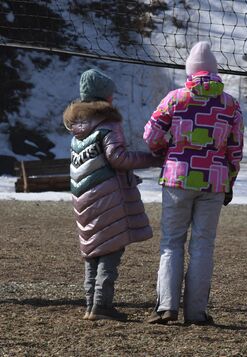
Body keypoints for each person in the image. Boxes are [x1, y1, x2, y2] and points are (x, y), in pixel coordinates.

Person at [144, 42, 244, 325]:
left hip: (177, 177)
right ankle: (197, 312)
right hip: (214, 181)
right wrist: (229, 181)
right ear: (214, 72)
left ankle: (166, 307)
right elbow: (235, 150)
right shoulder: (230, 104)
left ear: (189, 71)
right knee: (203, 246)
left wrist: (168, 150)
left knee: (171, 243)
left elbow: (151, 136)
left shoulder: (175, 99)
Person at [64, 68, 160, 321]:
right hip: (107, 197)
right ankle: (102, 306)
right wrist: (153, 159)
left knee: (93, 251)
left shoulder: (78, 127)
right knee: (111, 250)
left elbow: (93, 163)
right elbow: (117, 158)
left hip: (83, 197)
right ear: (105, 98)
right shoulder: (108, 123)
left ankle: (90, 305)